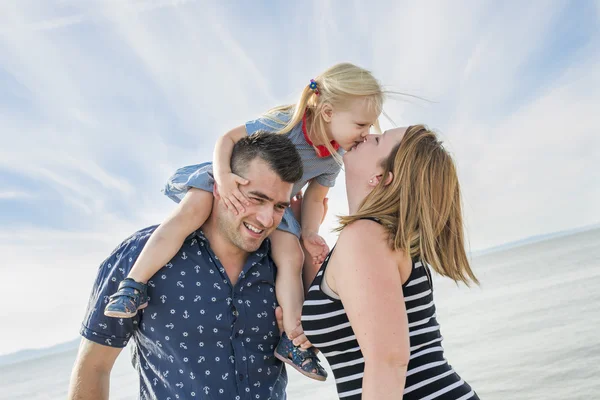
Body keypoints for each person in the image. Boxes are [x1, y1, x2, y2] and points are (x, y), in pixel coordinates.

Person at [103, 62, 384, 380]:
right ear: (329, 112)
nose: (366, 134)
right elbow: (227, 139)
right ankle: (134, 286)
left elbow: (315, 199)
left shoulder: (331, 158)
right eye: (362, 124)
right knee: (191, 212)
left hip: (275, 206)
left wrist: (308, 234)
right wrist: (223, 177)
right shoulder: (285, 121)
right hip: (232, 177)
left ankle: (293, 340)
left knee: (291, 257)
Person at [68, 132, 304, 400]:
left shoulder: (285, 268)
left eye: (278, 206)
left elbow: (318, 343)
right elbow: (94, 366)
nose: (266, 218)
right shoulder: (140, 256)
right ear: (220, 186)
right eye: (256, 199)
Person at [300, 126, 480, 399]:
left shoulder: (365, 237)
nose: (367, 134)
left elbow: (388, 362)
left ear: (381, 177)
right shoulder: (377, 237)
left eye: (378, 140)